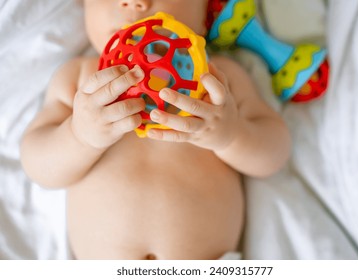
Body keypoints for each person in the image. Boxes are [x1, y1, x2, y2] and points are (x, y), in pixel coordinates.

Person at [20, 0, 290, 260]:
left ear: (205, 8)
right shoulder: (79, 80)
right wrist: (79, 135)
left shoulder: (220, 80)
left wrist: (232, 135)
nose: (135, 2)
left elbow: (274, 154)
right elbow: (38, 166)